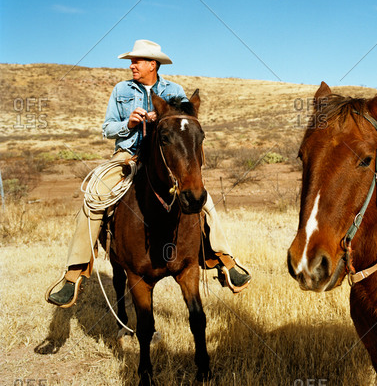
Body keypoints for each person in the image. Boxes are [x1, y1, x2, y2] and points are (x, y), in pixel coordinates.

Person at [47, 39, 251, 308]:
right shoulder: (121, 90)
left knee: (203, 199)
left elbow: (184, 127)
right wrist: (127, 123)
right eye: (132, 61)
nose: (132, 65)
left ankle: (225, 259)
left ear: (152, 64)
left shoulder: (174, 90)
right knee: (94, 196)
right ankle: (74, 272)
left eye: (137, 61)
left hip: (165, 159)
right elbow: (106, 128)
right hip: (128, 156)